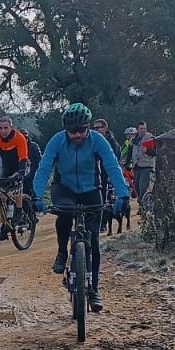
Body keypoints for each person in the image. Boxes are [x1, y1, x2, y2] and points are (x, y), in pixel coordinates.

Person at [32, 103, 129, 314]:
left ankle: (94, 289)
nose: (77, 135)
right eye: (73, 131)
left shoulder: (98, 140)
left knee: (93, 241)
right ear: (66, 129)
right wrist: (37, 195)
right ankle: (61, 253)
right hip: (64, 187)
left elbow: (111, 165)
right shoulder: (57, 140)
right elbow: (45, 167)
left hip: (91, 188)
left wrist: (123, 194)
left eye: (82, 130)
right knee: (65, 212)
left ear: (88, 127)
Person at [131, 121, 156, 200]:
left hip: (146, 166)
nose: (143, 130)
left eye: (144, 128)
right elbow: (130, 152)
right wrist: (127, 164)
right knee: (136, 188)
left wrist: (148, 151)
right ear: (137, 129)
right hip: (136, 166)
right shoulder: (134, 140)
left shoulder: (151, 138)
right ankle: (141, 202)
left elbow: (156, 152)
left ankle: (143, 206)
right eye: (141, 128)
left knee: (143, 188)